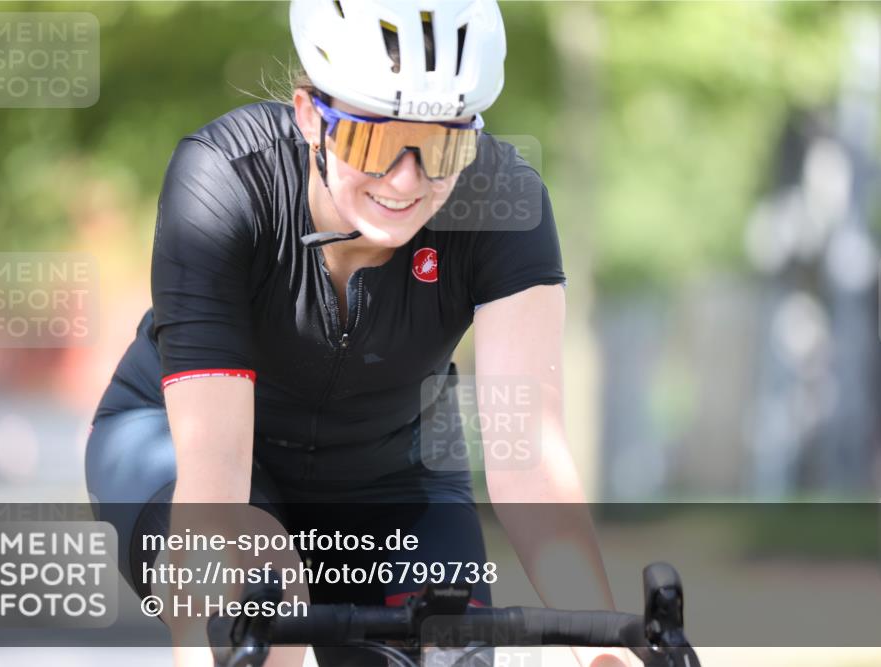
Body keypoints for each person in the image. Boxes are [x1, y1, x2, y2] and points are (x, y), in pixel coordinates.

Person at [85, 1, 637, 665]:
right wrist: (208, 637)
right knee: (260, 588)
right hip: (183, 452)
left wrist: (603, 643)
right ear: (310, 115)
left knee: (449, 652)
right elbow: (215, 476)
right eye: (374, 141)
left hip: (393, 475)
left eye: (442, 145)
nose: (406, 179)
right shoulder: (224, 181)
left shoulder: (503, 199)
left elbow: (529, 461)